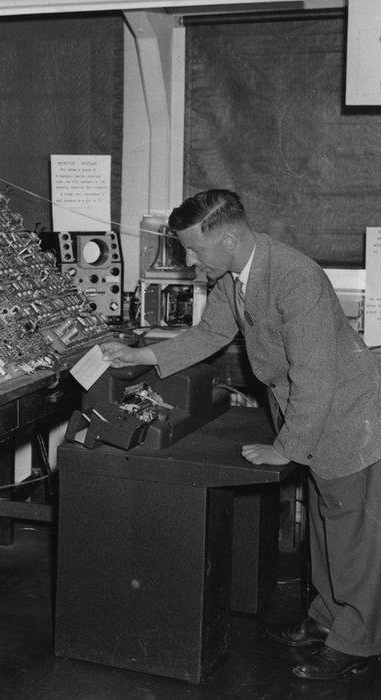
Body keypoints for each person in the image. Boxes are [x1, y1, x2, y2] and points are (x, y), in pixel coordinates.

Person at [101, 189, 381, 681]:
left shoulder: (294, 277)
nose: (189, 260)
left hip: (345, 415)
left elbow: (317, 374)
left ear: (228, 237)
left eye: (194, 249)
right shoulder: (236, 275)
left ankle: (358, 643)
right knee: (323, 522)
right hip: (313, 411)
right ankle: (327, 620)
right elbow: (211, 333)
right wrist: (140, 356)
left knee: (352, 532)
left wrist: (286, 448)